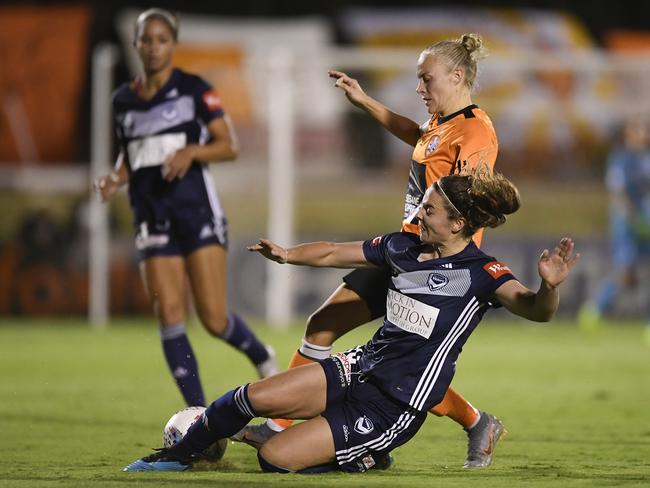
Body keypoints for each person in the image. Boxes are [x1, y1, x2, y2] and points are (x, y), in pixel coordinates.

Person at [123, 168, 579, 474]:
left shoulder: (483, 274)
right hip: (357, 368)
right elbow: (331, 251)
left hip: (393, 407)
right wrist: (286, 254)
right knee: (248, 397)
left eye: (431, 210)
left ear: (458, 224)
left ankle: (366, 453)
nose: (420, 213)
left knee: (276, 460)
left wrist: (549, 286)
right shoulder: (403, 248)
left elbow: (535, 310)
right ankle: (173, 458)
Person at [235, 33, 503, 468]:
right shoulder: (442, 123)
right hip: (407, 252)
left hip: (437, 270)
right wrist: (366, 102)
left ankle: (473, 423)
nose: (420, 88)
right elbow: (418, 138)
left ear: (457, 76)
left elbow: (469, 202)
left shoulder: (475, 131)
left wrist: (448, 266)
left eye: (426, 79)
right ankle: (280, 424)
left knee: (403, 370)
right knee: (323, 324)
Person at [94, 8, 277, 408]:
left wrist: (191, 151)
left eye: (162, 39)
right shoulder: (122, 100)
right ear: (136, 44)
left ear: (173, 44)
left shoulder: (194, 89)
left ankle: (262, 355)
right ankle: (196, 413)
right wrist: (116, 178)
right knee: (169, 313)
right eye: (147, 39)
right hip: (150, 214)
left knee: (213, 319)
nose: (154, 47)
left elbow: (229, 145)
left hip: (196, 210)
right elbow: (132, 154)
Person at [578, 114, 650, 340]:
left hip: (647, 224)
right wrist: (634, 218)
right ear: (629, 133)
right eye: (638, 129)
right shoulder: (620, 159)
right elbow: (618, 194)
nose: (643, 134)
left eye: (645, 130)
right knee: (625, 272)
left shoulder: (647, 158)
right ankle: (594, 310)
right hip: (627, 226)